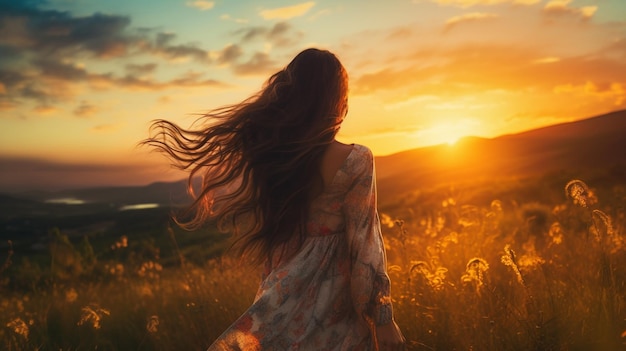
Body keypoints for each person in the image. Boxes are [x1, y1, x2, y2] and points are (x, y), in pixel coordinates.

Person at [143, 48, 405, 350]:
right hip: (336, 303)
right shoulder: (357, 160)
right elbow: (365, 245)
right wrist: (383, 317)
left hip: (283, 291)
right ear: (337, 100)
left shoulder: (277, 159)